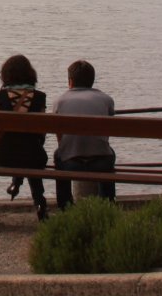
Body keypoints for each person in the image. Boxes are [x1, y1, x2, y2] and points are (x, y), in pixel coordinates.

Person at [53, 59, 115, 211]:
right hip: (101, 163)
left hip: (70, 163)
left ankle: (65, 206)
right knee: (108, 153)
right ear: (92, 81)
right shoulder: (106, 100)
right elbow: (108, 132)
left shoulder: (59, 101)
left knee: (58, 154)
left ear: (70, 82)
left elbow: (60, 138)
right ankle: (106, 205)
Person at [0, 54, 48, 221]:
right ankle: (40, 203)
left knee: (17, 148)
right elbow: (41, 132)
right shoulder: (39, 97)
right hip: (34, 158)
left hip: (5, 158)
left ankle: (17, 182)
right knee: (30, 154)